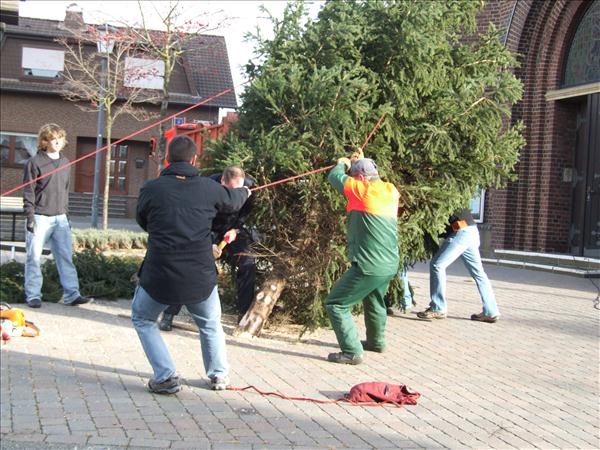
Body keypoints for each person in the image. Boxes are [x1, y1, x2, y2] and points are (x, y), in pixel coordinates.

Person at [131, 136, 251, 394]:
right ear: (194, 160)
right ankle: (219, 376)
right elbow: (234, 200)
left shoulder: (151, 188)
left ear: (167, 159)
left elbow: (143, 220)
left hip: (159, 273)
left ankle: (165, 376)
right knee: (210, 324)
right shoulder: (208, 189)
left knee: (142, 318)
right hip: (200, 274)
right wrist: (246, 191)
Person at [158, 165, 257, 331]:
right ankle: (169, 313)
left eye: (238, 191)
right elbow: (198, 216)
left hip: (233, 230)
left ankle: (243, 315)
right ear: (222, 181)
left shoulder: (250, 188)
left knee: (248, 263)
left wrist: (236, 230)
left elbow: (247, 215)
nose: (235, 195)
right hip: (208, 228)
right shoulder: (206, 185)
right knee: (189, 266)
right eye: (230, 191)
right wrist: (210, 241)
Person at [325, 152, 400, 364]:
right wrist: (360, 162)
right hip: (389, 264)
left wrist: (343, 163)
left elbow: (334, 177)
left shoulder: (361, 190)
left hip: (369, 265)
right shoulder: (390, 190)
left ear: (360, 179)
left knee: (336, 303)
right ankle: (376, 342)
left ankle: (352, 352)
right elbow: (367, 177)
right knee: (374, 299)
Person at [22, 123, 92, 309]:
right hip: (39, 217)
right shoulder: (34, 163)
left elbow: (65, 191)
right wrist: (30, 217)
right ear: (44, 141)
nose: (58, 141)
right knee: (34, 257)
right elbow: (28, 192)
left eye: (60, 138)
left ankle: (72, 294)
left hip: (61, 218)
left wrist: (66, 216)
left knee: (65, 257)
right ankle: (33, 295)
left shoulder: (65, 162)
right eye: (53, 138)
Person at [417, 209, 499, 322]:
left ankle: (438, 307)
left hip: (461, 230)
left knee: (437, 265)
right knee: (479, 273)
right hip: (472, 230)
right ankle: (491, 311)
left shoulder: (444, 194)